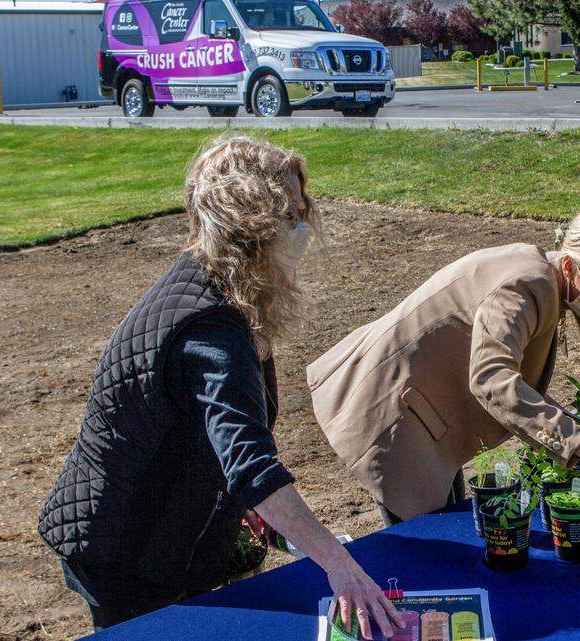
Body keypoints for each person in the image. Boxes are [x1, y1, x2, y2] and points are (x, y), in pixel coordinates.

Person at [38, 136, 403, 638]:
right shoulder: (210, 328)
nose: (301, 229)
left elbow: (208, 437)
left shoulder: (214, 288)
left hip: (155, 532)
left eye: (302, 211)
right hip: (125, 549)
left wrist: (248, 511)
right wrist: (337, 563)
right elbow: (250, 462)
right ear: (250, 223)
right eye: (289, 215)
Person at [308, 206, 580, 524]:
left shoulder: (541, 275)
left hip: (427, 413)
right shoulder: (525, 286)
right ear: (571, 267)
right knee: (424, 558)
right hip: (392, 412)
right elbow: (491, 379)